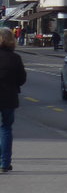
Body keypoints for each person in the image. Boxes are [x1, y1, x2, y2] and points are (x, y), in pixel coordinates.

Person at [0, 26, 29, 173]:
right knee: (5, 128)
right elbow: (22, 79)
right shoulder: (15, 58)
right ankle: (4, 163)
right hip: (8, 98)